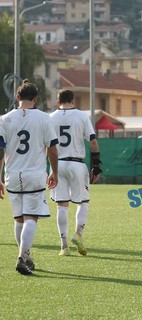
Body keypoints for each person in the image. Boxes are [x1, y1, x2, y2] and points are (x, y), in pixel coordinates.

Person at [0, 80, 59, 275]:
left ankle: (26, 257)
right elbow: (52, 149)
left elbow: (0, 151)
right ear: (35, 99)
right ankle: (22, 256)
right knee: (31, 218)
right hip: (34, 174)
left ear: (17, 98)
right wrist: (54, 172)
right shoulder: (44, 118)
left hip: (13, 175)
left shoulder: (4, 119)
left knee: (19, 219)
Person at [50, 89, 101, 256]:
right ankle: (78, 234)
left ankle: (64, 246)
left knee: (61, 206)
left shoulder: (50, 118)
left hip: (57, 164)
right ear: (73, 101)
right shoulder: (81, 116)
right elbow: (93, 143)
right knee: (83, 202)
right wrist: (96, 167)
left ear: (58, 102)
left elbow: (46, 146)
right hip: (77, 164)